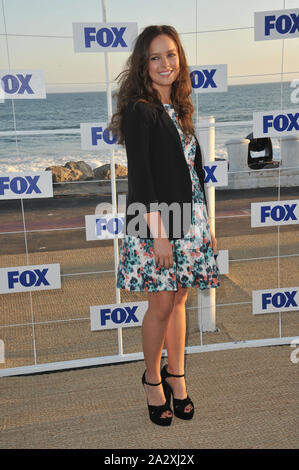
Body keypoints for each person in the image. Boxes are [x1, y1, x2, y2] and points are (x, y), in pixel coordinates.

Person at [109, 25, 220, 426]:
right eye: (155, 57)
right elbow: (142, 179)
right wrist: (160, 233)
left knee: (179, 301)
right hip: (157, 217)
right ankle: (153, 381)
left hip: (188, 217)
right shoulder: (140, 110)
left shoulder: (182, 104)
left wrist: (202, 222)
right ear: (143, 64)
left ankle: (178, 377)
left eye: (170, 55)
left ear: (180, 59)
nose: (164, 63)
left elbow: (193, 172)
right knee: (160, 304)